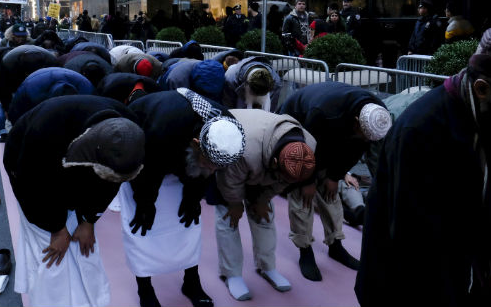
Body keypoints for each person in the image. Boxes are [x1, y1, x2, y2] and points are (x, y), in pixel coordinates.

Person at [356, 28, 491, 306]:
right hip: (425, 280)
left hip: (482, 271)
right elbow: (409, 236)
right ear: (482, 88)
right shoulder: (421, 128)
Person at [3, 95, 145, 307]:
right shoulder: (44, 132)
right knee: (49, 250)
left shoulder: (130, 133)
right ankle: (50, 301)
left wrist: (88, 220)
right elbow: (31, 188)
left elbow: (110, 183)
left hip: (73, 153)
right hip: (27, 164)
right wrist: (57, 229)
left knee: (83, 247)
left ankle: (90, 299)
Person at [120, 88, 245, 307]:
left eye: (218, 167)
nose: (213, 170)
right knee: (142, 227)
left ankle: (191, 281)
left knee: (188, 224)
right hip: (141, 155)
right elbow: (147, 170)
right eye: (209, 164)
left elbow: (209, 169)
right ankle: (145, 287)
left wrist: (193, 198)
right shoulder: (163, 129)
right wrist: (145, 203)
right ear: (196, 143)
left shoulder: (228, 131)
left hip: (181, 154)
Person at [278, 82, 391, 282]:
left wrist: (334, 176)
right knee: (302, 197)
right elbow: (304, 150)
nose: (365, 140)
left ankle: (335, 245)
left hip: (332, 134)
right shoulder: (323, 112)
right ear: (356, 121)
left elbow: (358, 148)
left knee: (331, 194)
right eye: (362, 135)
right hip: (298, 131)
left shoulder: (376, 115)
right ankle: (305, 250)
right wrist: (307, 181)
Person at [215, 109, 317, 300]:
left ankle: (267, 267)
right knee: (229, 217)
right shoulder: (244, 148)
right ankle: (232, 275)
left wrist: (262, 200)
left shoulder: (309, 146)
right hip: (231, 160)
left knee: (264, 215)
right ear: (277, 161)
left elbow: (285, 180)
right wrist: (235, 203)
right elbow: (229, 180)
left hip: (264, 163)